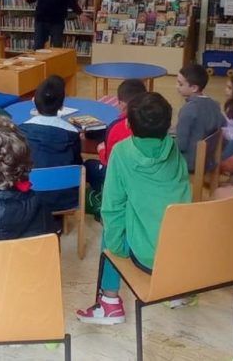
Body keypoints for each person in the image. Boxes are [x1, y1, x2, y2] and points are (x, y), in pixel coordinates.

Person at [76, 93, 191, 324]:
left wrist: (115, 250)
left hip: (148, 256)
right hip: (183, 254)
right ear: (168, 125)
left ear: (128, 124)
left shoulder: (121, 152)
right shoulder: (173, 148)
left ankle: (109, 303)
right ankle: (178, 292)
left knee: (112, 222)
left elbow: (112, 208)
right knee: (152, 212)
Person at [19, 75, 82, 211]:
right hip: (65, 198)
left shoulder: (21, 131)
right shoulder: (72, 133)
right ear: (61, 106)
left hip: (29, 196)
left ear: (34, 101)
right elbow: (77, 164)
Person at [85, 79, 147, 192]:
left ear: (123, 104)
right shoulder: (150, 123)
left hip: (119, 179)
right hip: (143, 176)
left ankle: (100, 194)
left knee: (88, 166)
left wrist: (101, 150)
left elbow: (108, 161)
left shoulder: (117, 127)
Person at [176, 64, 225, 172]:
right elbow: (223, 124)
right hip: (209, 160)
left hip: (189, 162)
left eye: (180, 84)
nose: (177, 86)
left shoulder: (188, 110)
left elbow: (181, 145)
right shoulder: (214, 104)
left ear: (194, 88)